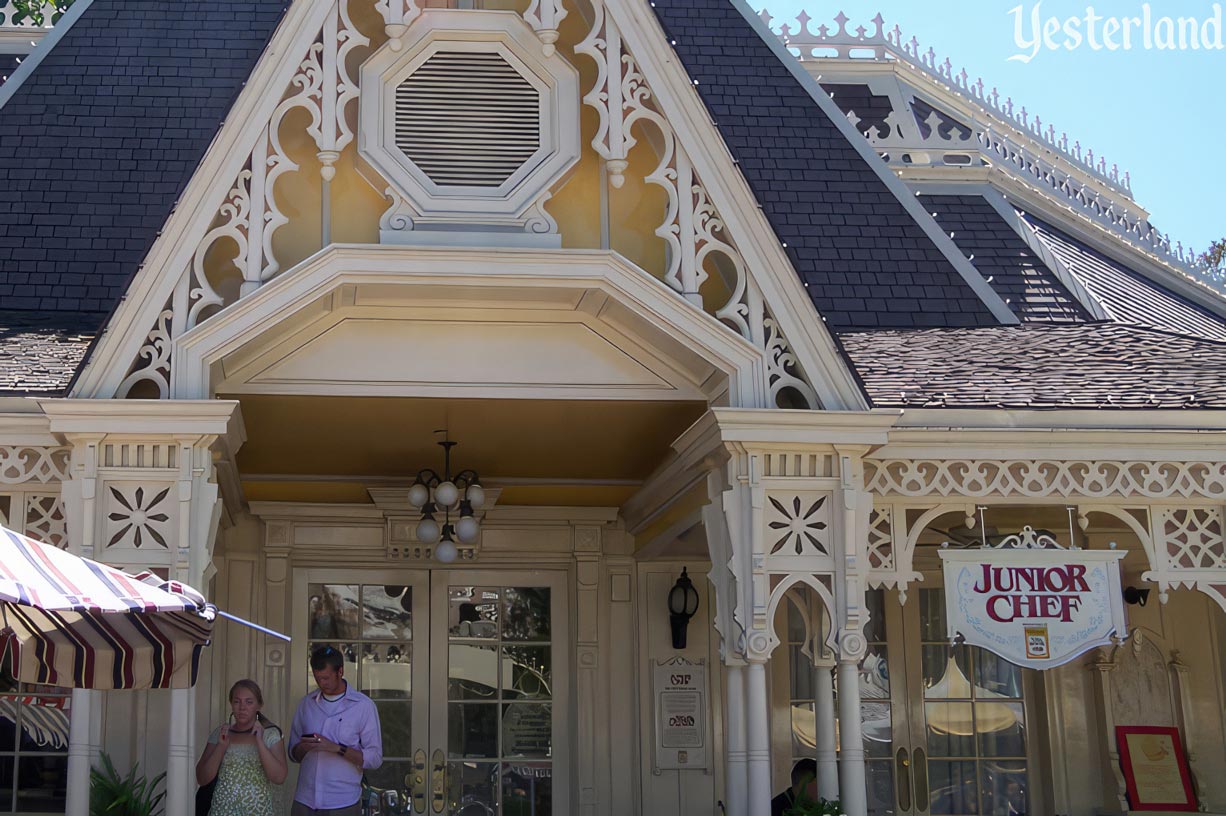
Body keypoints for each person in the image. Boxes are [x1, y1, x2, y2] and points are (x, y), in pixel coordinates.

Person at [289, 645, 383, 816]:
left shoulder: (363, 706)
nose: (321, 683)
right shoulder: (306, 704)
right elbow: (292, 753)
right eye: (317, 678)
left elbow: (375, 758)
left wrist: (337, 748)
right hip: (305, 798)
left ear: (340, 671)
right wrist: (303, 748)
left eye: (326, 678)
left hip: (342, 801)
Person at [196, 679, 288, 816]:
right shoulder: (220, 733)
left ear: (259, 705)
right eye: (237, 701)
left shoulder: (270, 735)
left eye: (249, 702)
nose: (242, 707)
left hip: (258, 810)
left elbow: (279, 777)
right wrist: (221, 747)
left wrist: (260, 743)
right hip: (222, 810)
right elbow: (202, 778)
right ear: (231, 704)